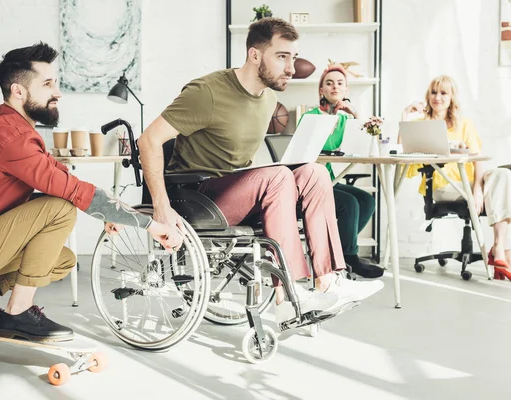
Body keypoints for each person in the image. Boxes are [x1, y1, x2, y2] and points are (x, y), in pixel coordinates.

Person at [0, 42, 182, 341]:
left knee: (62, 260)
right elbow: (71, 191)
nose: (57, 92)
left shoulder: (4, 122)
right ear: (18, 91)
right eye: (47, 84)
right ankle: (17, 312)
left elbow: (58, 177)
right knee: (60, 209)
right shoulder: (12, 136)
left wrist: (112, 213)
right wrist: (149, 224)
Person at [136, 18, 383, 325]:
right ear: (254, 55)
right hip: (195, 196)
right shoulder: (208, 91)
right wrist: (160, 205)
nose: (292, 68)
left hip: (234, 195)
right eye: (282, 56)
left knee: (315, 173)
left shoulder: (268, 99)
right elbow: (148, 140)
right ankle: (288, 294)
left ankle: (327, 281)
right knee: (278, 176)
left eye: (293, 57)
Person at [402, 75, 511, 280]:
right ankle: (501, 253)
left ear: (452, 97)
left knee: (503, 175)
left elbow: (478, 160)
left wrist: (478, 190)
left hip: (468, 183)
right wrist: (405, 115)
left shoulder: (465, 124)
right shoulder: (421, 124)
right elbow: (403, 152)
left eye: (443, 93)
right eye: (434, 92)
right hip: (442, 185)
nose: (437, 97)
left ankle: (498, 246)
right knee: (501, 189)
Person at [300, 63, 383, 279]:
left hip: (329, 179)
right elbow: (303, 153)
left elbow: (361, 147)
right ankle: (350, 258)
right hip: (311, 182)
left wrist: (356, 116)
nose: (335, 87)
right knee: (349, 203)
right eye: (329, 83)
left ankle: (340, 251)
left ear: (346, 91)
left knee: (366, 200)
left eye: (340, 83)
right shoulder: (310, 117)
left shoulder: (347, 119)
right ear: (321, 91)